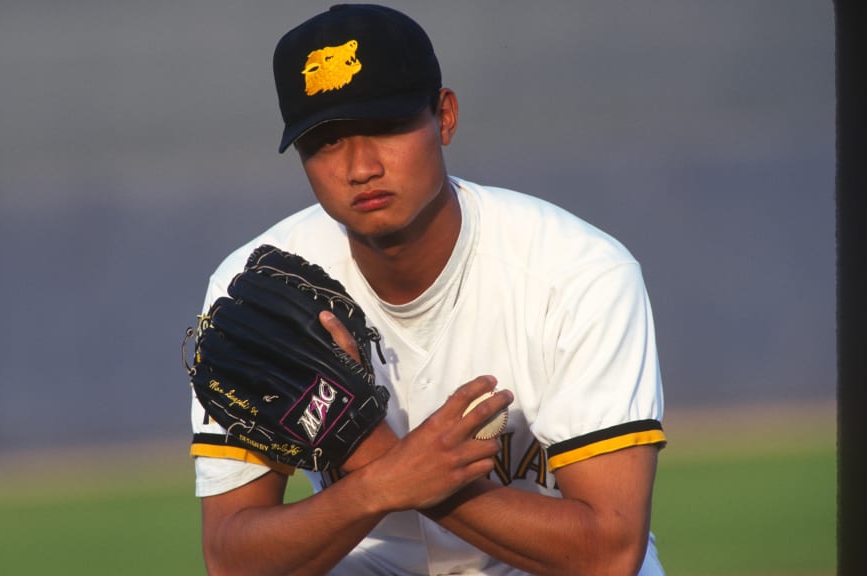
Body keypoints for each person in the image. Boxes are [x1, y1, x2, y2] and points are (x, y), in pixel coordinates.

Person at [189, 4, 667, 575]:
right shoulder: (259, 291)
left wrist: (367, 449)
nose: (361, 166)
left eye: (386, 126)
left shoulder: (576, 273)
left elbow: (606, 553)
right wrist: (380, 479)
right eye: (326, 141)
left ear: (444, 117)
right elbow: (231, 560)